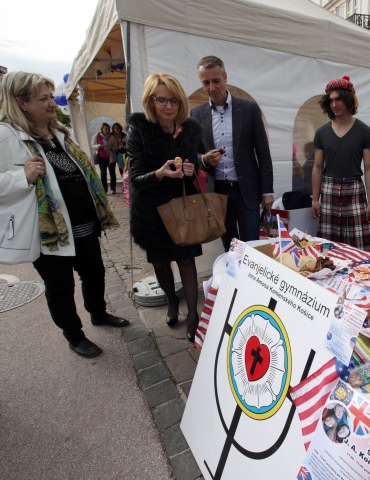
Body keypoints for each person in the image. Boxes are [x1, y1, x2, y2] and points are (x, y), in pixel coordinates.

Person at [0, 71, 127, 359]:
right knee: (61, 287)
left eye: (51, 96)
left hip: (83, 224)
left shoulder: (58, 132)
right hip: (48, 232)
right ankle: (74, 336)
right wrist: (19, 176)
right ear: (21, 102)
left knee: (94, 273)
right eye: (44, 98)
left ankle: (98, 314)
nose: (52, 104)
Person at [127, 73, 203, 341]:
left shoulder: (189, 130)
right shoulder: (139, 130)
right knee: (160, 264)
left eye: (174, 100)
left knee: (186, 259)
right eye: (162, 100)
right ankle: (172, 302)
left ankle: (193, 314)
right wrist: (160, 174)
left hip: (183, 207)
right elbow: (135, 177)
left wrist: (191, 170)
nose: (169, 106)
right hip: (151, 211)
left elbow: (193, 169)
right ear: (151, 100)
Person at [190, 55, 274, 252]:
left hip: (247, 191)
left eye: (216, 80)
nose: (212, 87)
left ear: (225, 77)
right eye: (206, 82)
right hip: (218, 193)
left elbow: (263, 152)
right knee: (230, 248)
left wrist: (267, 191)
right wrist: (204, 159)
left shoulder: (249, 109)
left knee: (252, 247)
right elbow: (192, 154)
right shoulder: (196, 114)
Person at [311, 75, 370, 250]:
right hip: (329, 190)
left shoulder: (364, 131)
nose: (335, 104)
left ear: (349, 100)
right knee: (328, 249)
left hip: (354, 189)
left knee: (359, 249)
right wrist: (315, 199)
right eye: (331, 100)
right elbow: (317, 167)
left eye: (339, 99)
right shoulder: (321, 133)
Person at [93, 123, 117, 194]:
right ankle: (104, 190)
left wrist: (111, 148)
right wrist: (98, 146)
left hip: (111, 158)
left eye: (108, 129)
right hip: (101, 158)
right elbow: (93, 145)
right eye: (105, 129)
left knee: (112, 173)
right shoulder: (97, 136)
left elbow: (116, 147)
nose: (107, 130)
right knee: (103, 174)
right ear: (102, 129)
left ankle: (113, 189)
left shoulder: (112, 137)